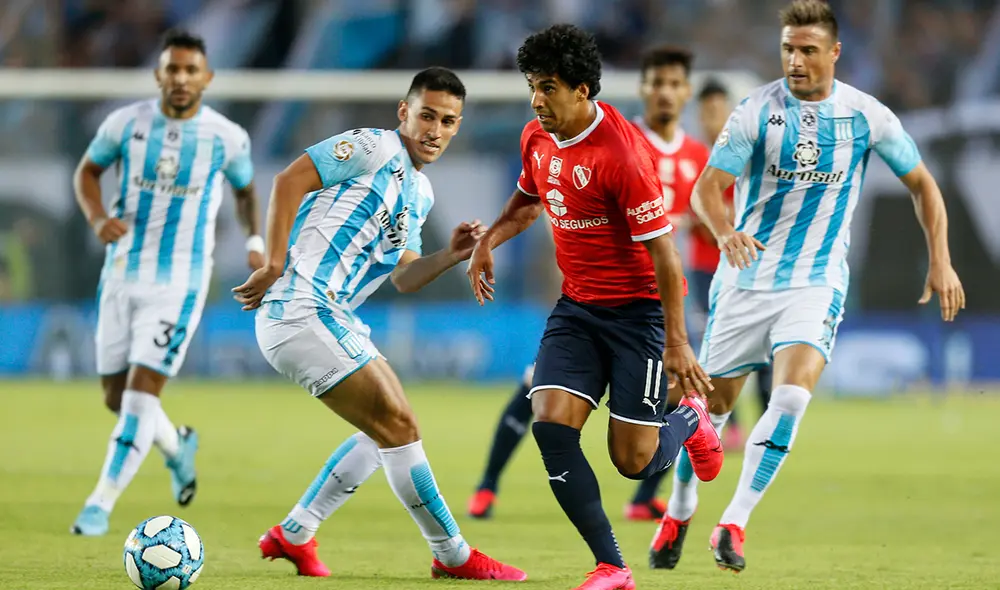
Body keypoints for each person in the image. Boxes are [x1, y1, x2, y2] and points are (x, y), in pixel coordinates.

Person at [649, 0, 965, 573]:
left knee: (791, 397)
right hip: (746, 282)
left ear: (835, 52)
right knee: (710, 416)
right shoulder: (757, 111)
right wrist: (725, 232)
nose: (795, 60)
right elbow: (706, 189)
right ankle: (681, 507)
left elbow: (923, 184)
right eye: (788, 49)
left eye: (808, 50)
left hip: (815, 282)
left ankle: (734, 523)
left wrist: (940, 260)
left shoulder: (866, 116)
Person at [231, 67, 526, 582]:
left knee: (385, 432)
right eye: (427, 115)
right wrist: (274, 263)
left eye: (448, 121)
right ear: (404, 112)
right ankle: (451, 554)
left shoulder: (420, 192)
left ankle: (295, 532)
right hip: (300, 306)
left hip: (328, 314)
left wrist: (450, 255)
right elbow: (288, 180)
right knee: (400, 427)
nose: (435, 130)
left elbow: (405, 277)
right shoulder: (372, 146)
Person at [466, 25, 722, 590]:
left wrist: (677, 342)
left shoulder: (623, 154)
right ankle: (612, 566)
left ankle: (689, 418)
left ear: (582, 89)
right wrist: (488, 243)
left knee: (633, 461)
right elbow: (528, 201)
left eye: (548, 87)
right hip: (578, 308)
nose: (536, 100)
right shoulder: (537, 137)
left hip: (639, 315)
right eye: (533, 86)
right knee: (550, 424)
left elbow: (665, 253)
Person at [70, 29, 262, 536]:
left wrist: (255, 240)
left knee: (138, 398)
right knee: (115, 397)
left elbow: (245, 191)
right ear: (158, 74)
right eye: (172, 69)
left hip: (180, 281)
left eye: (190, 70)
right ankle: (178, 448)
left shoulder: (226, 137)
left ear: (207, 78)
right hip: (120, 273)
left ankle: (99, 505)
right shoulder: (125, 123)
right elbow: (86, 173)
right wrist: (97, 219)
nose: (180, 78)